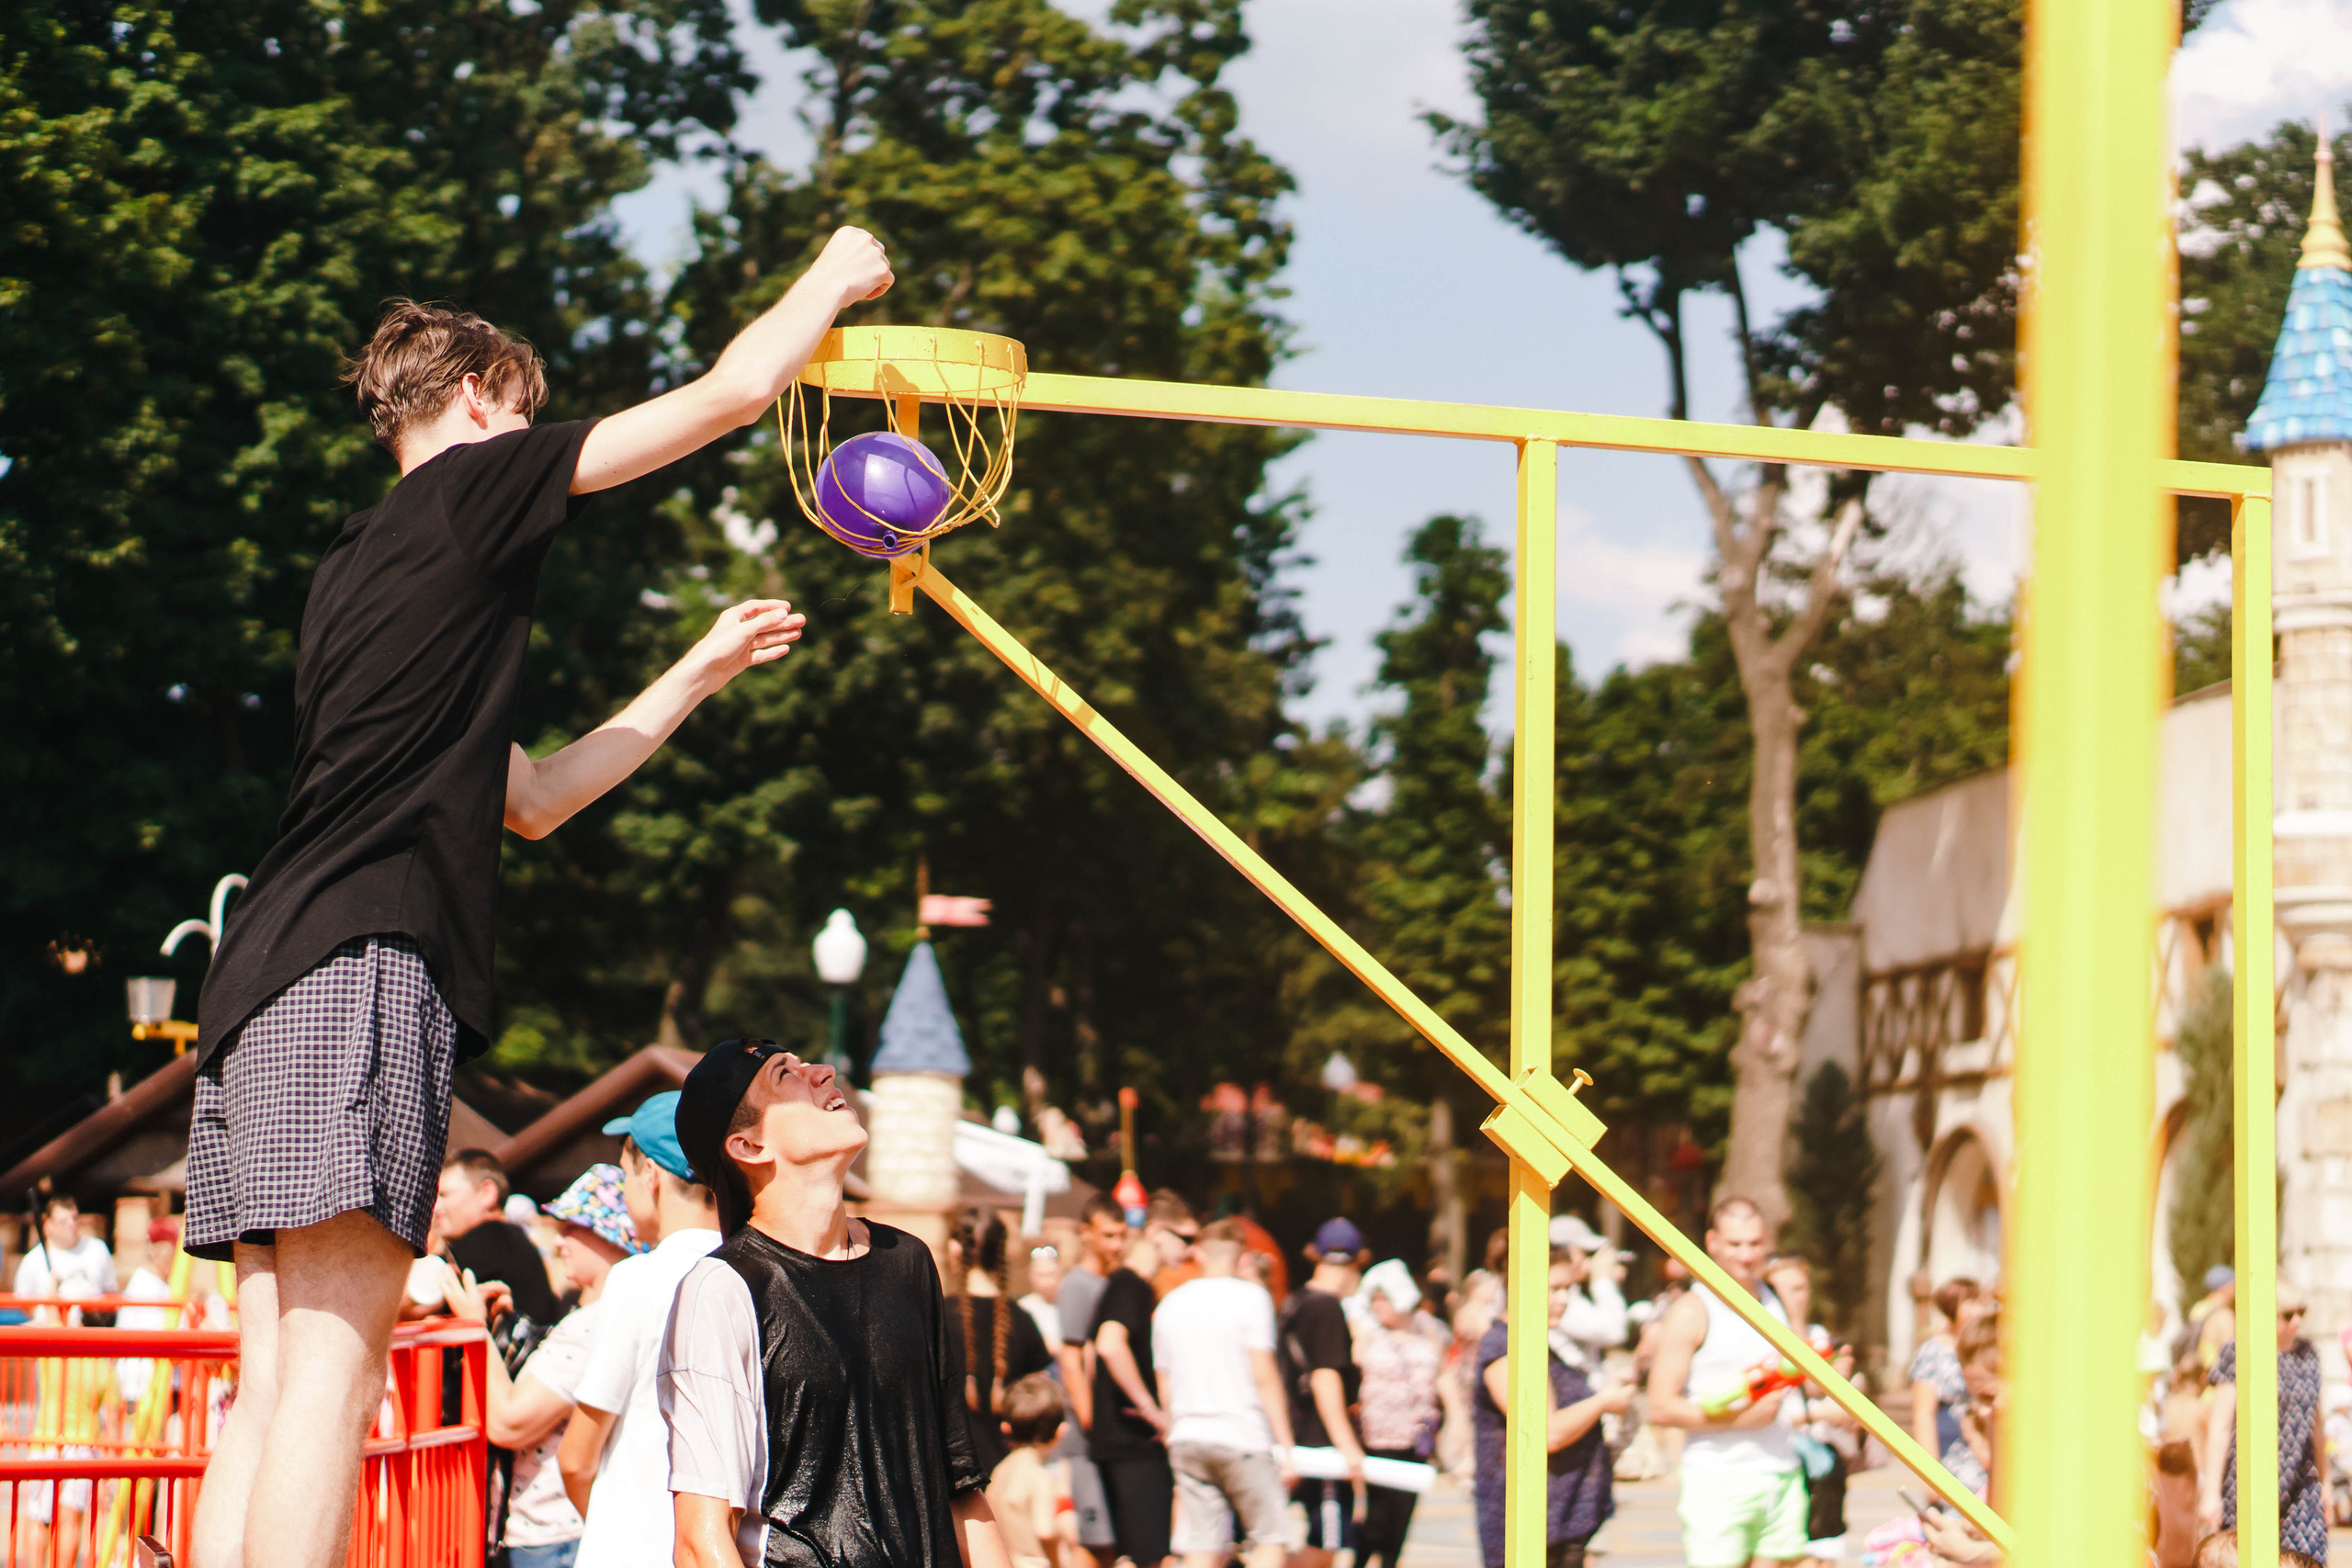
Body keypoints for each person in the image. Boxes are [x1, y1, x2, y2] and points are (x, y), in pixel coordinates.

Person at [178, 225, 891, 1568]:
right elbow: (735, 392)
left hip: (257, 976)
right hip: (361, 959)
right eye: (523, 407)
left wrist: (697, 670)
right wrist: (837, 274)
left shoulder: (350, 576)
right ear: (481, 402)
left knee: (274, 1382)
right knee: (336, 1378)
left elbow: (535, 795)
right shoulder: (479, 484)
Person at [660, 1039, 1012, 1568]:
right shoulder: (724, 1289)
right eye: (786, 1075)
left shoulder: (907, 1259)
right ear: (749, 1146)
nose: (822, 1072)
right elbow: (700, 1539)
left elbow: (959, 1485)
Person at [442, 1163, 639, 1568]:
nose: (561, 1241)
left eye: (574, 1227)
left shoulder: (594, 1324)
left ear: (611, 1236)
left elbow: (509, 1423)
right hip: (556, 1531)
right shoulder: (612, 1314)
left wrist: (474, 1328)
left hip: (554, 1536)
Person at [559, 1093, 724, 1568]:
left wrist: (611, 1534)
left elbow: (576, 1458)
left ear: (651, 1175)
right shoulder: (759, 1275)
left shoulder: (638, 1279)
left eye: (624, 1173)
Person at [1645, 1196, 1806, 1568]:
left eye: (1754, 1244)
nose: (1746, 1256)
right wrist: (1736, 1421)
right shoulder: (1693, 1309)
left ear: (1767, 1242)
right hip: (1718, 1476)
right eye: (1735, 1244)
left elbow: (1801, 1376)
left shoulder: (1777, 1297)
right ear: (1713, 1242)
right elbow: (1661, 1406)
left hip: (1780, 1468)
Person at [1471, 1247, 1634, 1568]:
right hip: (1528, 1527)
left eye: (1568, 1288)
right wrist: (1602, 1402)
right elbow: (1548, 1433)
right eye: (1554, 1288)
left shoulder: (1540, 1342)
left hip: (1559, 1523)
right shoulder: (1504, 1347)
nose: (1564, 1299)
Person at [1151, 1219, 1295, 1568]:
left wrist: (1173, 1427)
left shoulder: (1170, 1303)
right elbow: (1263, 1375)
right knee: (1270, 1538)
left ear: (1198, 1252)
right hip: (1241, 1433)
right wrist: (1285, 1443)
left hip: (1188, 1434)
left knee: (1201, 1543)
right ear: (1242, 1256)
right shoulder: (1252, 1298)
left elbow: (1164, 1380)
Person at [2199, 1279, 2328, 1562]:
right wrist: (2210, 1493)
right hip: (2248, 1482)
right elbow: (2220, 1426)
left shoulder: (2309, 1355)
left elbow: (2317, 1424)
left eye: (2301, 1313)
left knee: (2308, 1559)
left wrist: (2327, 1482)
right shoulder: (2239, 1351)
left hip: (2300, 1481)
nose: (2296, 1322)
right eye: (2287, 1315)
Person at [1283, 1217, 1373, 1568]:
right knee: (1326, 1545)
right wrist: (1348, 1447)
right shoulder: (1326, 1307)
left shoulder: (1296, 1302)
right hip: (1321, 1445)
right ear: (1356, 1262)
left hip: (1297, 1435)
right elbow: (1324, 1378)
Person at [1763, 1257, 1857, 1567]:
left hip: (1820, 1457)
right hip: (1776, 1457)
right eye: (1785, 1289)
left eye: (1801, 1287)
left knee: (1823, 1552)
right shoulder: (1758, 1339)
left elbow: (1820, 1392)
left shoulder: (1819, 1336)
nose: (1797, 1296)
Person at [1088, 1226, 1173, 1568]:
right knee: (1152, 1557)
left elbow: (1092, 1354)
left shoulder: (1120, 1283)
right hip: (1133, 1442)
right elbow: (1109, 1344)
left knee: (1131, 1556)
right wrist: (1152, 1410)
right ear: (1157, 1233)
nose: (1190, 1251)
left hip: (1117, 1438)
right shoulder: (1132, 1284)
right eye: (1184, 1238)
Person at [1055, 1195, 1130, 1568]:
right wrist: (1091, 1422)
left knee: (1113, 1541)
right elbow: (1071, 1359)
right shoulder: (1077, 1286)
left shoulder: (1114, 1282)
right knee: (1095, 1541)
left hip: (1113, 1437)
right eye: (1108, 1235)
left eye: (1121, 1236)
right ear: (1087, 1234)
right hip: (1089, 1441)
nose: (1116, 1244)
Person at [1353, 1258, 1443, 1568]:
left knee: (1401, 1521)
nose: (1378, 1306)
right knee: (1374, 1520)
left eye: (1384, 1299)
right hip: (1376, 1438)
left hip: (1416, 1438)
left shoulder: (1429, 1329)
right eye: (1374, 1300)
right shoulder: (1367, 1332)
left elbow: (1442, 1379)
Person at [956, 1208, 1057, 1479]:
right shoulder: (1022, 1319)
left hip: (951, 1472)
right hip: (1010, 1472)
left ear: (957, 1251)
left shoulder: (935, 1315)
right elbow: (1040, 1396)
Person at [437, 1148, 563, 1324]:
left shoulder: (492, 1236)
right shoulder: (512, 1239)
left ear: (487, 1193)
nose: (435, 1208)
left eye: (444, 1195)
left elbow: (418, 1292)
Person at [988, 1374, 1080, 1568]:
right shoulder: (1040, 1477)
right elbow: (1045, 1530)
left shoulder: (1000, 1471)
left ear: (1006, 1428)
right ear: (1060, 1432)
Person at [1908, 1278, 1978, 1465]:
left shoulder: (1983, 1346)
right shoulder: (1933, 1352)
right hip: (1952, 1455)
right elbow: (1923, 1414)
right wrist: (1930, 1472)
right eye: (1970, 1302)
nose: (1978, 1309)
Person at [1547, 1214, 1629, 1373]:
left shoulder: (1569, 1291)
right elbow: (1614, 1332)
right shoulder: (1554, 1297)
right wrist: (1602, 1281)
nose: (1590, 1261)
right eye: (1586, 1253)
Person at [14, 1193, 118, 1307]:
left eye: (74, 1219)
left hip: (90, 1323)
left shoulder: (97, 1249)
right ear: (49, 1224)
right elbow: (23, 1304)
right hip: (49, 1323)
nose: (71, 1225)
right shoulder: (33, 1260)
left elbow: (111, 1293)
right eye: (63, 1222)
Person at [1021, 1245, 1066, 1348]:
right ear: (1030, 1276)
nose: (1045, 1282)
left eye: (1050, 1274)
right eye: (1040, 1275)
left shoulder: (1069, 1304)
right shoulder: (1024, 1307)